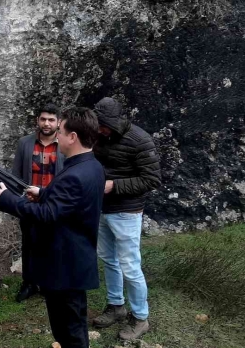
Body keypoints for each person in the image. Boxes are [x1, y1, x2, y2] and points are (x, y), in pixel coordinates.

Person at [0, 107, 104, 348]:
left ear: (72, 137)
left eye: (61, 132)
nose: (57, 137)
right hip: (74, 260)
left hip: (64, 264)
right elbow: (70, 204)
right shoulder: (92, 166)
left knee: (69, 330)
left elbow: (48, 215)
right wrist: (44, 192)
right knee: (72, 324)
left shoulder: (74, 174)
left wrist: (6, 199)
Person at [91, 97, 161, 341]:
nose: (99, 130)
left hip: (127, 211)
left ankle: (141, 318)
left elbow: (152, 179)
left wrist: (114, 186)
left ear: (114, 121)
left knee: (130, 265)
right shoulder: (99, 136)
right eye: (97, 125)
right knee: (109, 260)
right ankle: (115, 306)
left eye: (103, 125)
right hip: (101, 209)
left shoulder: (140, 140)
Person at [10, 104, 65, 302]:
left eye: (51, 120)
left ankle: (50, 283)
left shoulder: (64, 145)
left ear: (58, 122)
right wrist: (17, 200)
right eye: (43, 119)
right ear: (37, 121)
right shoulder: (25, 143)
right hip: (30, 203)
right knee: (29, 243)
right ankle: (29, 283)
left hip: (54, 203)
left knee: (53, 244)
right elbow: (16, 175)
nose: (47, 123)